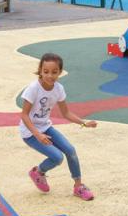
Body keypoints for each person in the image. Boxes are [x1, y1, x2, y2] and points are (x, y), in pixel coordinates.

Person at [20, 52, 98, 201]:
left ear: (60, 72)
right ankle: (38, 172)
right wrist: (38, 134)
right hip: (30, 132)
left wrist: (83, 122)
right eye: (46, 72)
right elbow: (24, 115)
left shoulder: (58, 89)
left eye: (54, 72)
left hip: (45, 128)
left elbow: (66, 113)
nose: (50, 75)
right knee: (57, 157)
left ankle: (78, 186)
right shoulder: (33, 88)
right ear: (40, 71)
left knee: (71, 150)